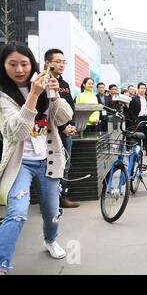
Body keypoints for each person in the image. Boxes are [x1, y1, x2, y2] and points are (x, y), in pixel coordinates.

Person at [0, 42, 74, 274]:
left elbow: (64, 118)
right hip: (19, 164)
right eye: (12, 64)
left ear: (33, 64)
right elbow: (16, 132)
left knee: (51, 211)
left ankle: (50, 240)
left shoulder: (48, 85)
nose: (19, 69)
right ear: (3, 66)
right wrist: (33, 94)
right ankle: (2, 263)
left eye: (24, 63)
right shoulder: (3, 96)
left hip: (48, 159)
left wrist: (53, 97)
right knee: (18, 212)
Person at [44, 48, 79, 209]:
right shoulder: (43, 81)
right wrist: (64, 126)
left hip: (66, 131)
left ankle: (62, 197)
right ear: (47, 63)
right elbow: (49, 109)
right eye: (58, 61)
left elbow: (70, 106)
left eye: (63, 61)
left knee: (65, 164)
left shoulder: (63, 83)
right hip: (50, 132)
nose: (62, 64)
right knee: (51, 166)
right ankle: (50, 200)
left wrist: (69, 126)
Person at [129, 83, 147, 156]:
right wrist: (134, 120)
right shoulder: (134, 99)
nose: (143, 90)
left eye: (144, 88)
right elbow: (131, 110)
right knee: (139, 136)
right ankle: (139, 151)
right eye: (141, 88)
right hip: (138, 119)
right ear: (138, 89)